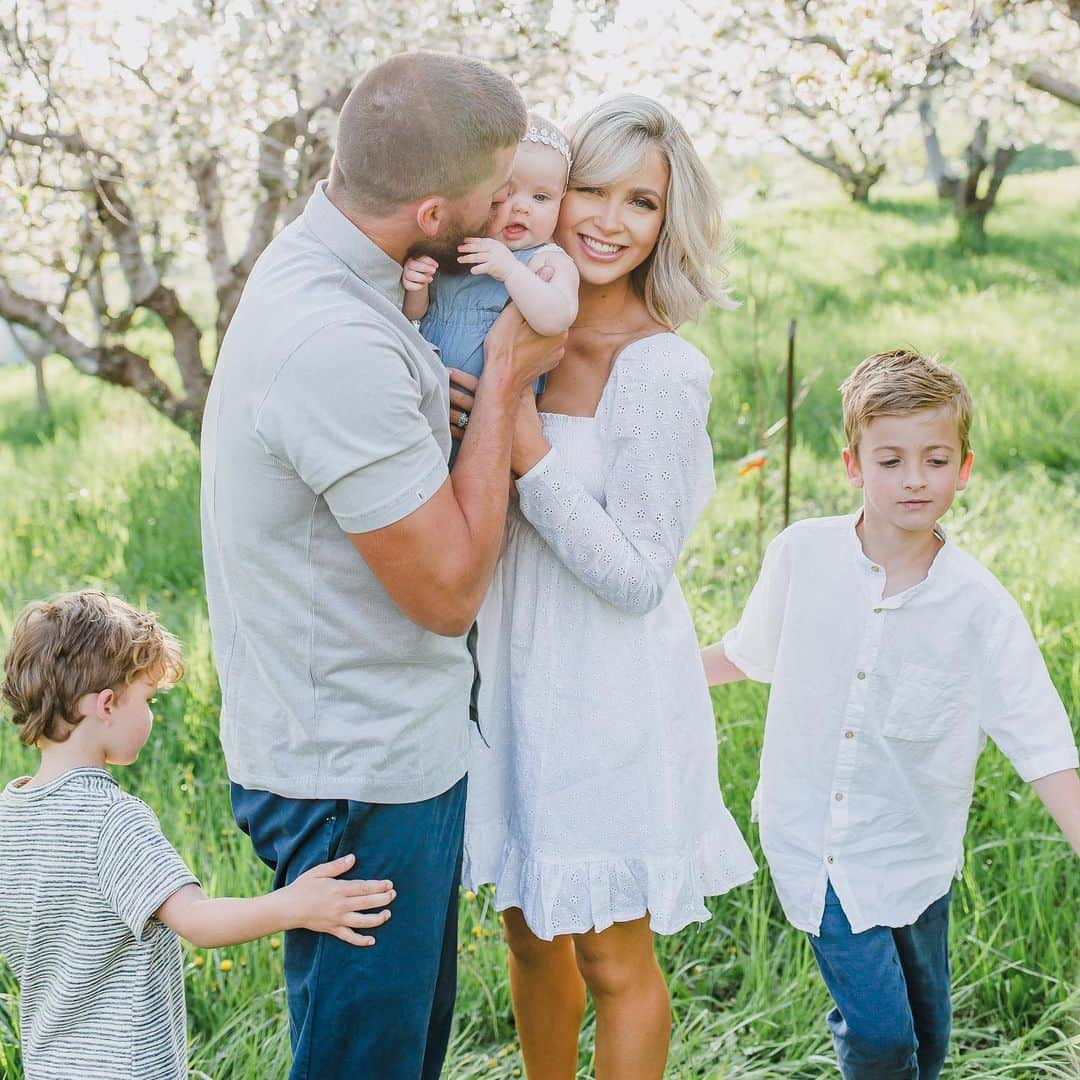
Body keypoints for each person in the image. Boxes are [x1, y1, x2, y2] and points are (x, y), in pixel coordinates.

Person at [199, 51, 563, 1080]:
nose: (516, 215)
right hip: (353, 772)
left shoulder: (331, 262)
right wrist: (503, 388)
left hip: (371, 743)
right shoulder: (330, 340)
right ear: (437, 214)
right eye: (500, 197)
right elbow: (447, 593)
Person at [454, 95, 756, 1080]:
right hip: (508, 677)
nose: (606, 219)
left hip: (609, 692)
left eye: (641, 201)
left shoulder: (660, 370)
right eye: (590, 187)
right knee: (531, 935)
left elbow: (635, 577)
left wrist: (524, 438)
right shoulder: (502, 323)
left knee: (611, 953)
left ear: (668, 224)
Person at [700, 350, 1080, 1080]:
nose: (914, 479)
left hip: (915, 855)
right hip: (817, 849)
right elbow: (747, 655)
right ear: (852, 464)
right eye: (891, 460)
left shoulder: (978, 605)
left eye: (935, 460)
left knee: (926, 1035)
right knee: (880, 1037)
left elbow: (1039, 737)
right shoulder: (802, 555)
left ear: (963, 469)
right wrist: (648, 676)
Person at [0, 591, 395, 1080]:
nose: (151, 716)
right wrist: (299, 904)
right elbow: (197, 920)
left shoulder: (10, 817)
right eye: (147, 700)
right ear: (106, 705)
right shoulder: (112, 822)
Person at [404, 113, 579, 463]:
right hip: (425, 410)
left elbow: (556, 317)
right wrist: (417, 284)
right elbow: (415, 314)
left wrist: (512, 272)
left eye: (541, 197)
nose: (522, 207)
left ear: (562, 201)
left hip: (497, 425)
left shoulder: (545, 261)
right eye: (508, 192)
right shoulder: (461, 247)